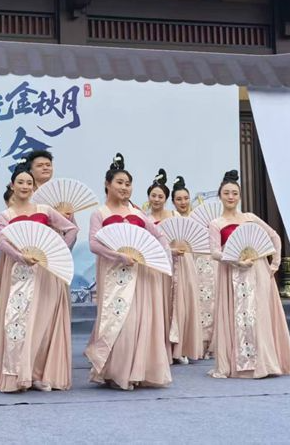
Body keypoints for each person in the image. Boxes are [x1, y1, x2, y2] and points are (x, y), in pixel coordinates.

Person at [85, 154, 172, 390]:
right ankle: (115, 372)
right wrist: (118, 256)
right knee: (118, 321)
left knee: (140, 321)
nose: (124, 187)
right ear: (107, 184)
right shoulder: (99, 213)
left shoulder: (138, 214)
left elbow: (160, 236)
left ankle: (137, 371)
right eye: (120, 183)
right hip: (114, 274)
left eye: (128, 183)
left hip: (140, 275)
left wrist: (160, 259)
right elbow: (93, 244)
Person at [0, 160, 78, 392]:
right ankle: (17, 374)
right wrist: (20, 256)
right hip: (19, 273)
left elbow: (71, 229)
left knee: (43, 321)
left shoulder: (44, 210)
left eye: (29, 183)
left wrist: (59, 249)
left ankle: (38, 374)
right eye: (21, 182)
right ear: (12, 185)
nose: (25, 186)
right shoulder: (5, 215)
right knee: (17, 321)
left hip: (44, 273)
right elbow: (2, 241)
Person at [208, 170, 290, 379]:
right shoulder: (216, 223)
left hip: (258, 272)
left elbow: (274, 236)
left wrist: (275, 263)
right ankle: (239, 364)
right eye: (226, 193)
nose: (230, 197)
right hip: (232, 272)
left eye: (234, 193)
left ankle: (265, 363)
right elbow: (215, 252)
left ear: (239, 196)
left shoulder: (250, 218)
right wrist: (235, 260)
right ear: (220, 196)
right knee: (236, 316)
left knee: (260, 315)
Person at [151, 172, 203, 364]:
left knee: (181, 303)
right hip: (161, 263)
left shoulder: (174, 216)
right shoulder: (146, 219)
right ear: (149, 198)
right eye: (154, 196)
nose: (157, 199)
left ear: (166, 199)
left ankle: (180, 348)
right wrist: (168, 251)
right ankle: (162, 347)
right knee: (163, 304)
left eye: (160, 196)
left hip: (182, 262)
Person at [173, 175, 215, 357]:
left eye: (186, 198)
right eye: (179, 199)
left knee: (206, 304)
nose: (183, 202)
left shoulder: (199, 218)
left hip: (203, 265)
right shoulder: (172, 220)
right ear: (173, 202)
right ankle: (185, 345)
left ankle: (205, 343)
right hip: (182, 265)